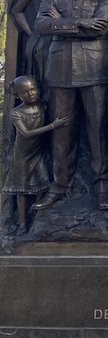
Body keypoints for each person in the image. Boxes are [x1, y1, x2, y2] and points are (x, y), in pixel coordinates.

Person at [32, 0, 108, 211]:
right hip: (58, 72)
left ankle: (103, 188)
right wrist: (81, 24)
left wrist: (61, 23)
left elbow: (101, 27)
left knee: (98, 132)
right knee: (61, 134)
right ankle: (59, 188)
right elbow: (42, 25)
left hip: (94, 71)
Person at [5, 76, 69, 232]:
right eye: (25, 92)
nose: (31, 94)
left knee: (40, 184)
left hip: (39, 151)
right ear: (18, 95)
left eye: (33, 89)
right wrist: (52, 126)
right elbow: (26, 134)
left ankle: (37, 217)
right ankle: (22, 222)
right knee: (22, 187)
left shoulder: (43, 107)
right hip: (23, 155)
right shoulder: (16, 112)